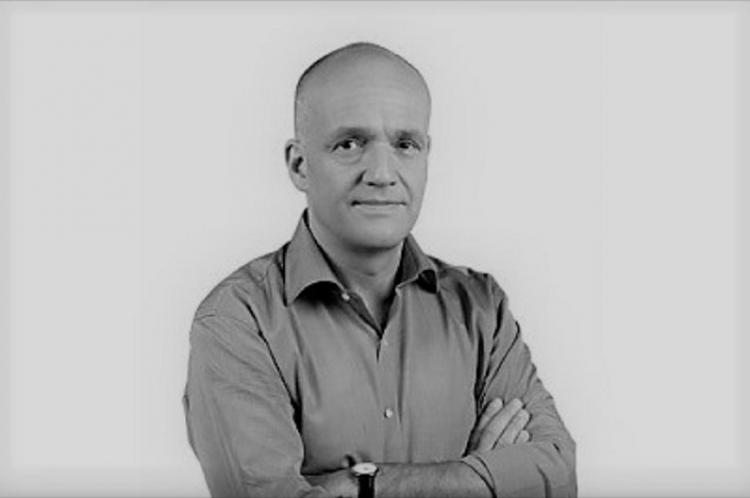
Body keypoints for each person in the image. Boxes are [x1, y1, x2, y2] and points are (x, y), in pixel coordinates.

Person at [183, 41, 576, 498]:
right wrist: (479, 479)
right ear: (299, 165)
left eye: (406, 145)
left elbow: (557, 477)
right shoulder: (236, 320)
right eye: (350, 144)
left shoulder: (482, 309)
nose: (382, 173)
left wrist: (360, 484)